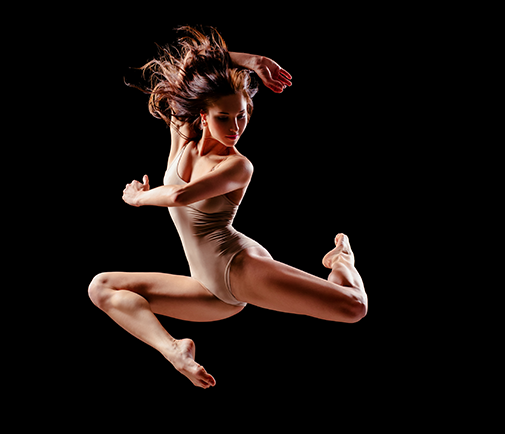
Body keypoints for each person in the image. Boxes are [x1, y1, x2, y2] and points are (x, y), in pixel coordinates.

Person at [88, 25, 366, 388]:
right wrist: (253, 61)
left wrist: (139, 197)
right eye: (224, 117)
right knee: (101, 287)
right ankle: (175, 351)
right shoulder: (183, 134)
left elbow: (178, 196)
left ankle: (342, 261)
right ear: (202, 115)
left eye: (243, 115)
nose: (236, 126)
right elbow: (192, 63)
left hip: (237, 267)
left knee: (354, 307)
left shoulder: (237, 165)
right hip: (205, 288)